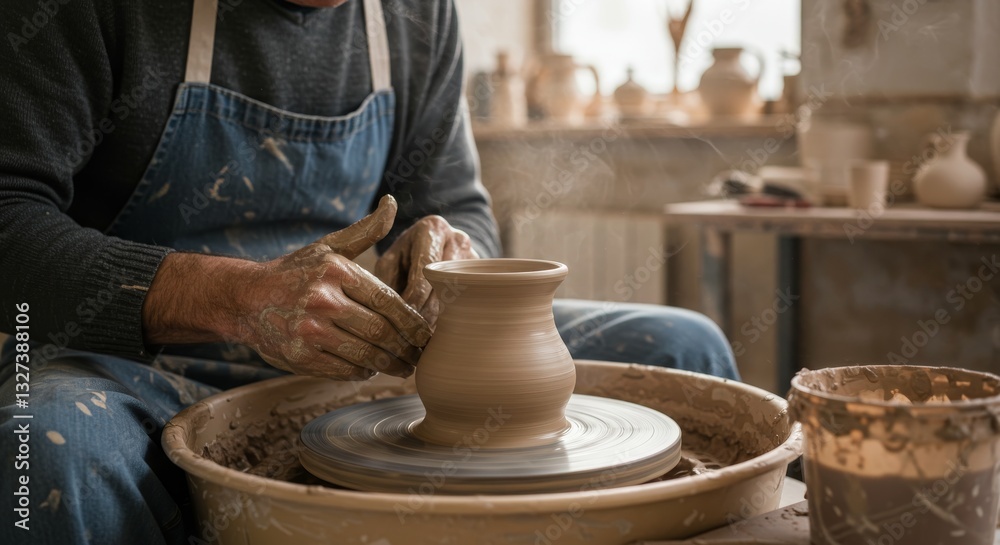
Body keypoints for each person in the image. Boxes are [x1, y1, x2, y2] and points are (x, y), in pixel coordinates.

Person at [0, 0, 739, 543]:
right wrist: (238, 297)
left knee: (683, 348)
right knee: (43, 443)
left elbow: (456, 207)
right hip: (136, 363)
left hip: (355, 351)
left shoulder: (414, 15)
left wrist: (452, 253)